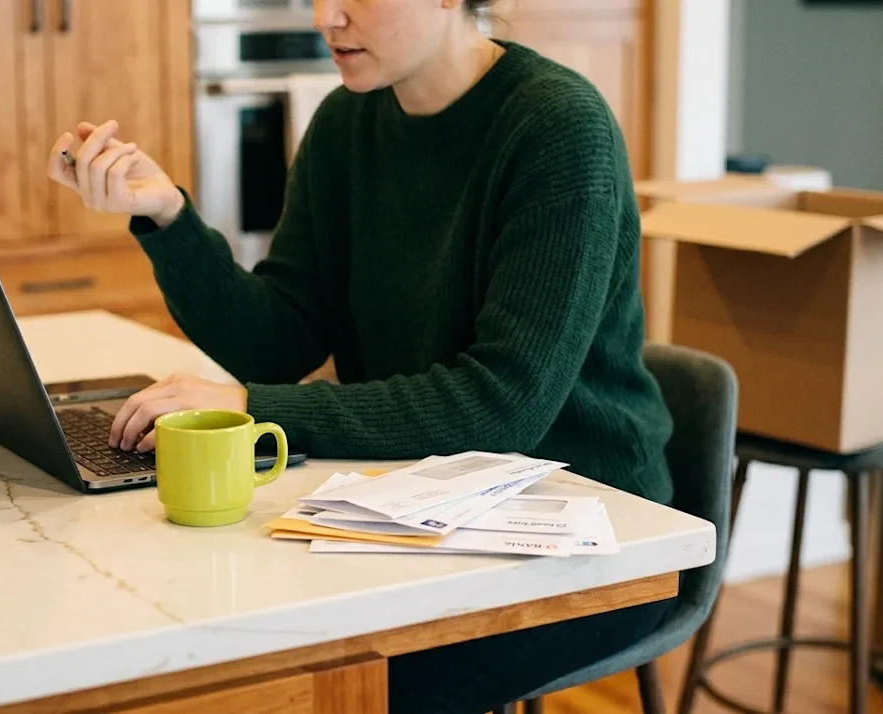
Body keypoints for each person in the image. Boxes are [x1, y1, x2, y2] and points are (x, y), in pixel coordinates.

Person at [47, 0, 675, 710]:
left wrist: (251, 408)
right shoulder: (347, 123)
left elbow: (502, 405)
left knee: (319, 689)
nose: (327, 16)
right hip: (416, 504)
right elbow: (280, 338)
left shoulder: (559, 127)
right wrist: (163, 216)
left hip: (588, 527)